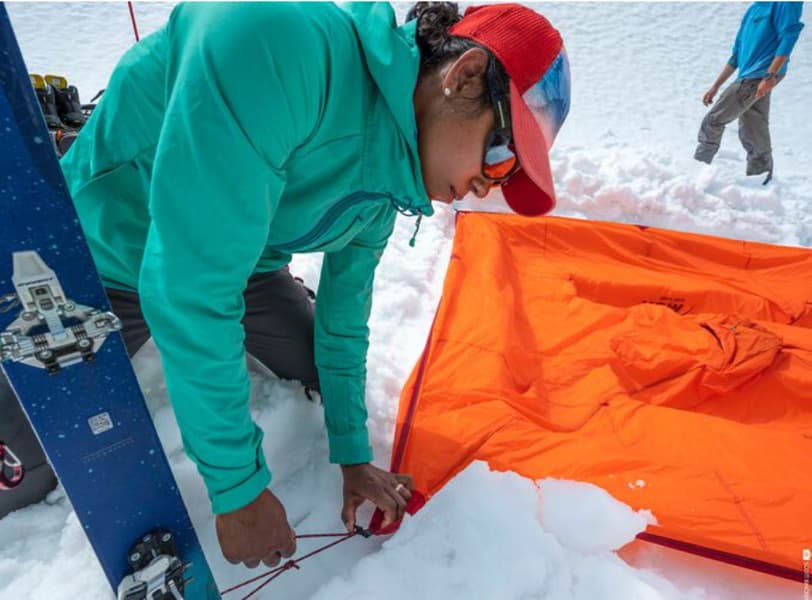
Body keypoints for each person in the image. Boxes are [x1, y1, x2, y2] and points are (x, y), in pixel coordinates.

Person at [0, 1, 570, 568]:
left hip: (239, 254)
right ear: (463, 74)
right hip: (110, 251)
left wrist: (352, 455)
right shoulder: (278, 44)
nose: (482, 187)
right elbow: (189, 291)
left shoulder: (391, 183)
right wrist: (238, 490)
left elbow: (344, 325)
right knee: (22, 466)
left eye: (506, 180)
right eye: (499, 158)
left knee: (318, 368)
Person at [694, 2, 804, 183]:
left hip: (759, 75)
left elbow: (790, 35)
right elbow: (736, 55)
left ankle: (697, 170)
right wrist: (716, 85)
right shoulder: (754, 9)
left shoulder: (784, 3)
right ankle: (761, 181)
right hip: (751, 75)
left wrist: (770, 75)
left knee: (713, 121)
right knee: (753, 127)